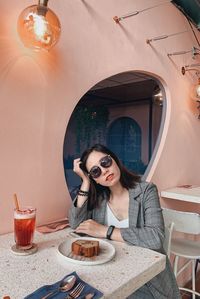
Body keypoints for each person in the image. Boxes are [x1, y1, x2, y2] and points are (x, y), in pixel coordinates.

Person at [68, 144, 181, 299]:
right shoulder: (99, 200)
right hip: (112, 274)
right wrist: (85, 181)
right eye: (95, 171)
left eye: (105, 162)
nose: (104, 170)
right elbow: (76, 224)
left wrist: (106, 231)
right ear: (96, 180)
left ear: (114, 160)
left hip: (146, 279)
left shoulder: (146, 190)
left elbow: (156, 237)